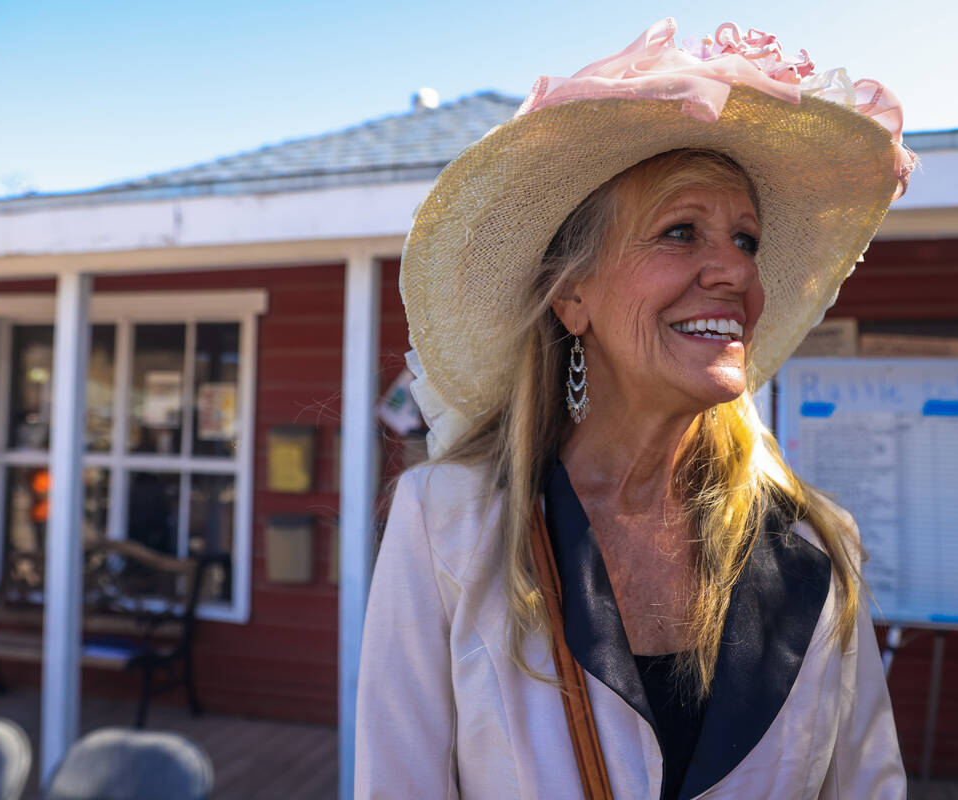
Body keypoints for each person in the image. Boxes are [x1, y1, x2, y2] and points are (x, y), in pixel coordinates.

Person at [357, 17, 916, 800]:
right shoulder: (447, 525)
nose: (733, 272)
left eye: (748, 241)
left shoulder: (819, 544)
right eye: (681, 232)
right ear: (572, 297)